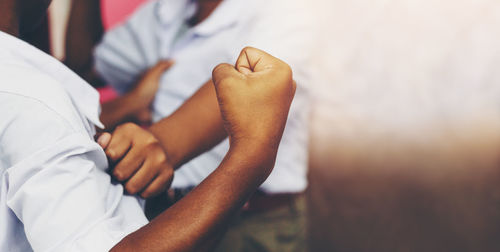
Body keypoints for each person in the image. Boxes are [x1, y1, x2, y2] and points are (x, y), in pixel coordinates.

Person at [0, 0, 297, 250]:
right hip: (180, 211)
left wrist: (157, 142)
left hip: (245, 218)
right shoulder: (169, 9)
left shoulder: (286, 12)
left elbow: (254, 80)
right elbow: (89, 65)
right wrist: (249, 157)